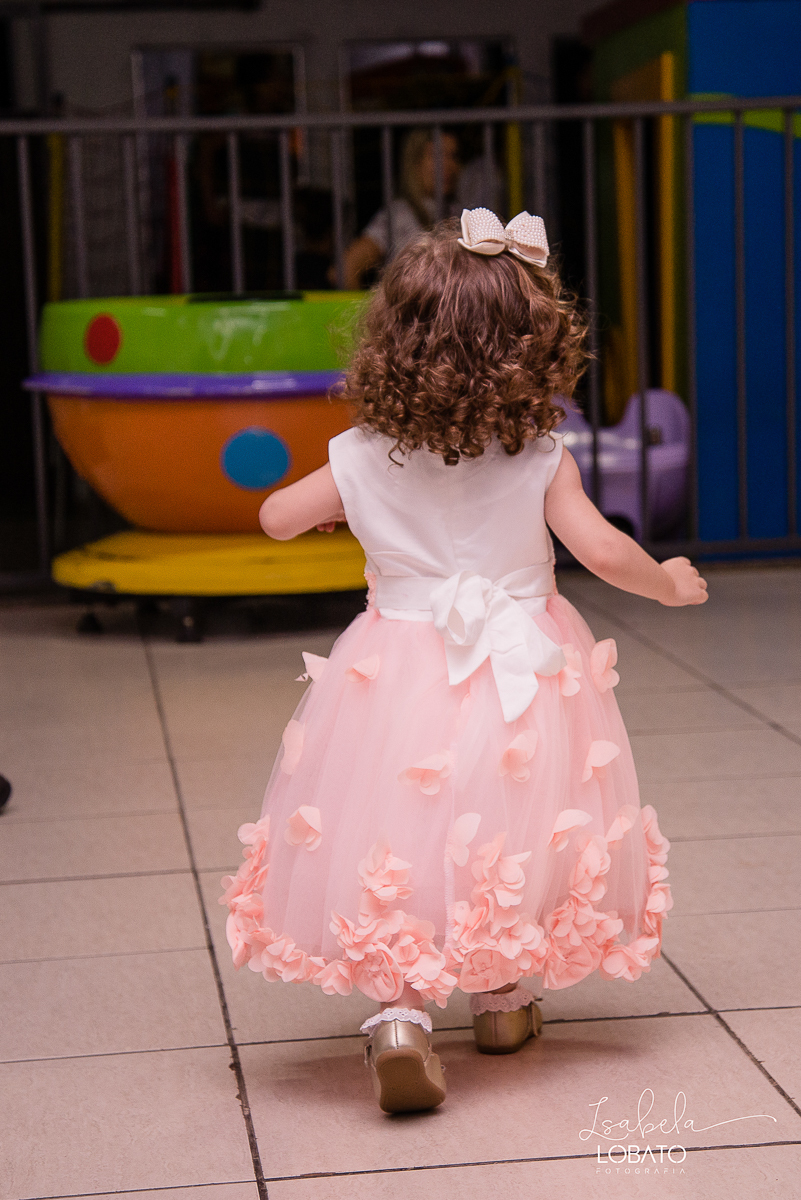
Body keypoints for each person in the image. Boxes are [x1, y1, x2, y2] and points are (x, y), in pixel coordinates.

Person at [221, 210, 708, 1116]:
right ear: (531, 350)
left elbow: (276, 518)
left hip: (397, 672)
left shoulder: (362, 457)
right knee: (511, 827)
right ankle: (501, 1001)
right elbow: (605, 554)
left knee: (398, 831)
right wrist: (669, 585)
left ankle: (400, 1017)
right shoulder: (541, 459)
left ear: (394, 345)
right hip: (524, 675)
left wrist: (349, 505)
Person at [343, 128, 461, 289]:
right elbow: (346, 268)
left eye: (453, 156)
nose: (448, 165)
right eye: (437, 155)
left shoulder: (459, 213)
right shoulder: (399, 214)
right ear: (415, 162)